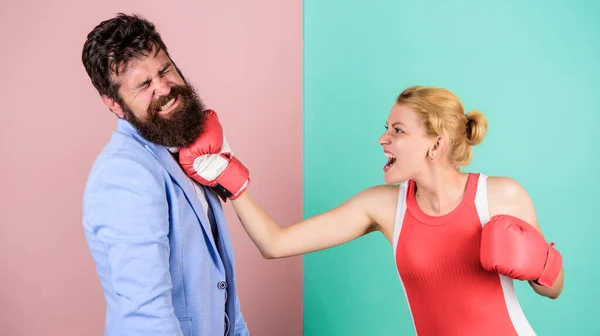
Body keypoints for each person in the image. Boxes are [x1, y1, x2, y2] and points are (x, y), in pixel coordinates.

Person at [179, 85, 564, 335]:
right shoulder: (381, 206)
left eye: (398, 130)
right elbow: (275, 244)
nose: (383, 139)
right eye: (387, 128)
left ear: (435, 145)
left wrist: (539, 264)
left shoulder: (502, 196)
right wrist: (230, 179)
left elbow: (555, 289)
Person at [80, 13, 250, 336]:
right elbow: (148, 319)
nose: (163, 88)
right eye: (143, 84)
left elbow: (222, 295)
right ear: (114, 104)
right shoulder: (124, 175)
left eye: (165, 70)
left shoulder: (185, 145)